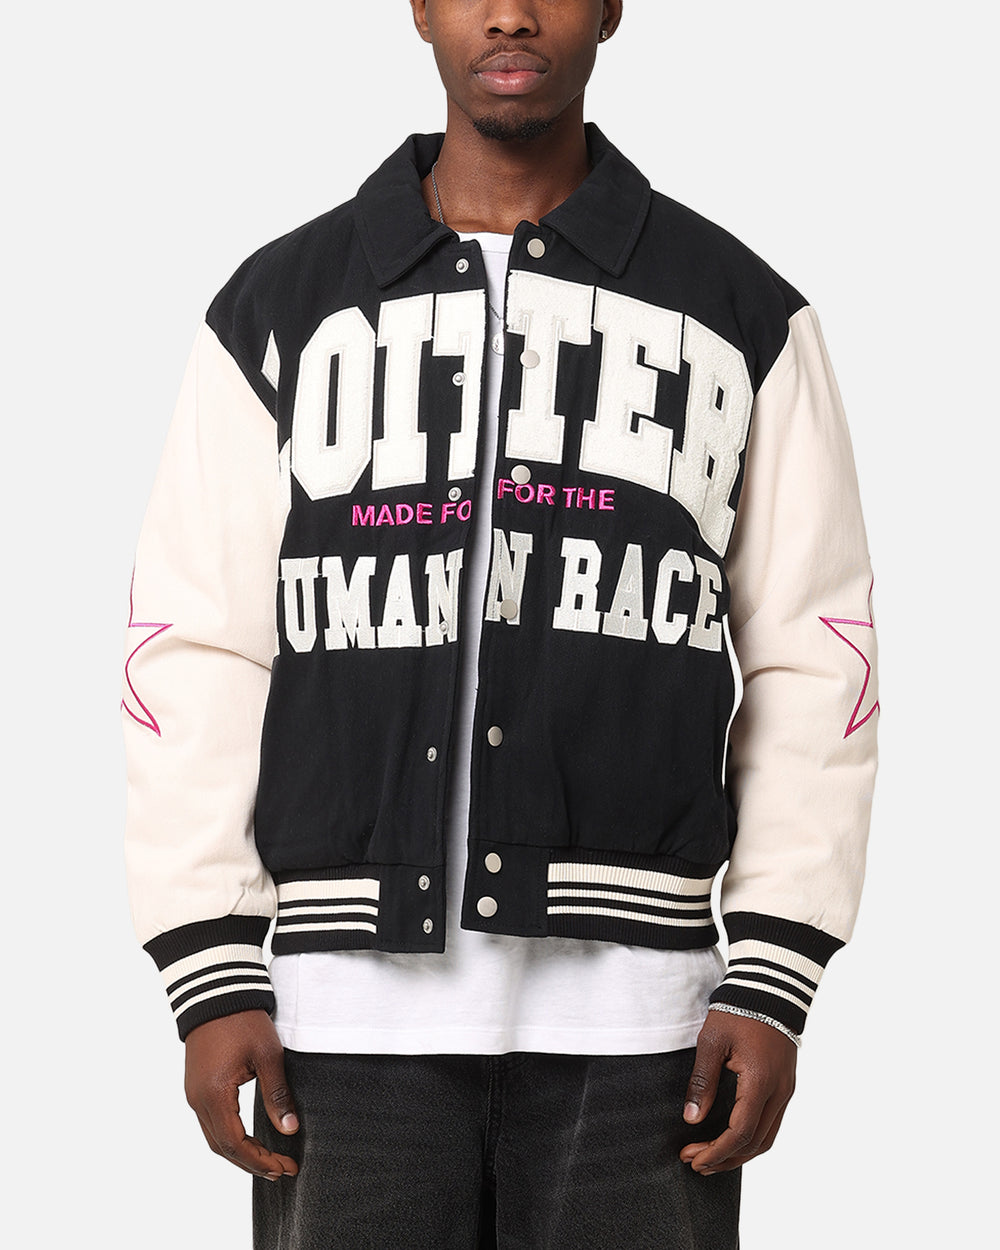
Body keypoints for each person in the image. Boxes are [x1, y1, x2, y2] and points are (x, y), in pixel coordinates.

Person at [121, 2, 878, 1246]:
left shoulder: (739, 311)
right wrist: (208, 964)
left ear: (611, 7)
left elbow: (815, 652)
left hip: (645, 1031)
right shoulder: (282, 305)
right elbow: (196, 645)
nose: (512, 12)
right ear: (419, 7)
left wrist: (774, 965)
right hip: (338, 1022)